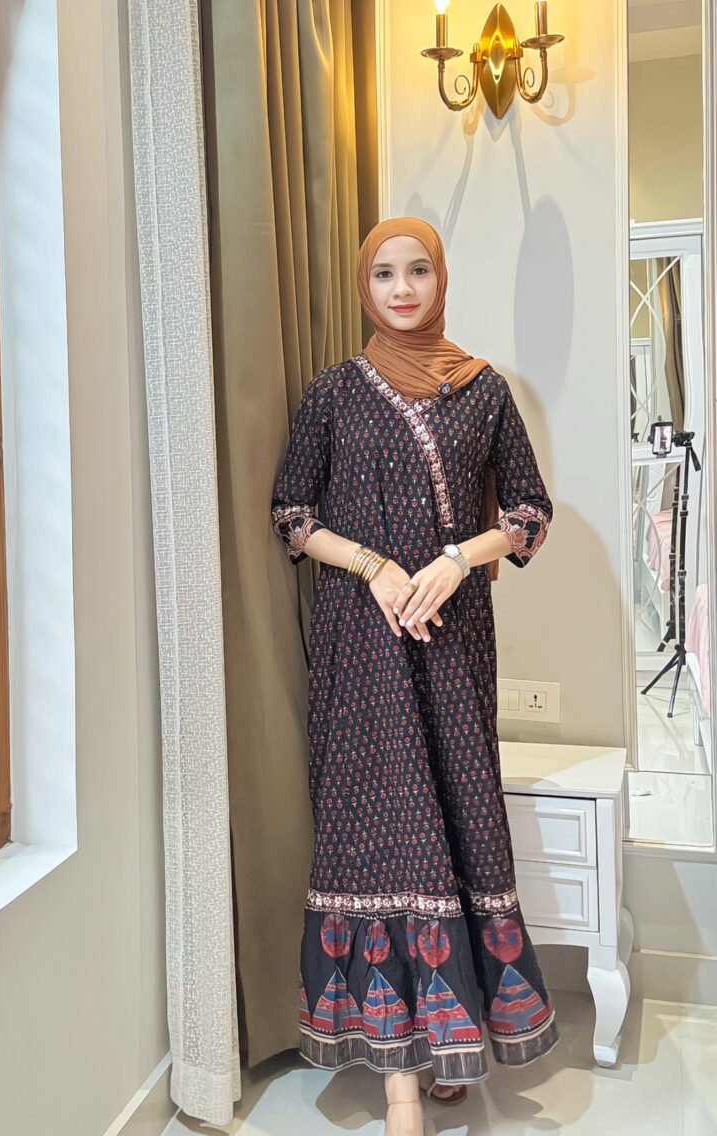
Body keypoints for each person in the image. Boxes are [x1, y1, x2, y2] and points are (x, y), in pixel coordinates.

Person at [271, 217, 558, 1136]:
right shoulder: (332, 393)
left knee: (458, 818)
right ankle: (402, 1075)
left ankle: (451, 1040)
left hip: (453, 639)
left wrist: (456, 559)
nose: (402, 288)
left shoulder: (483, 391)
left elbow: (529, 512)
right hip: (360, 646)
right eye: (385, 274)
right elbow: (291, 514)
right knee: (377, 831)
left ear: (442, 279)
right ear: (365, 286)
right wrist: (374, 566)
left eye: (419, 270)